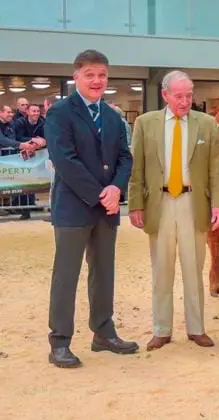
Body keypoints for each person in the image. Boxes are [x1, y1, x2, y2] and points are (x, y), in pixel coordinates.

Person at [44, 49, 138, 368]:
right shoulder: (60, 113)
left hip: (106, 209)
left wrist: (116, 188)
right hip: (73, 208)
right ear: (76, 77)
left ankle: (103, 332)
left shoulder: (112, 116)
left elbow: (125, 156)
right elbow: (64, 160)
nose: (97, 81)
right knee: (66, 276)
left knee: (104, 272)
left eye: (102, 75)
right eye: (90, 75)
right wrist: (101, 193)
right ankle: (59, 341)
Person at [128, 70, 219, 352]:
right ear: (165, 95)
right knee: (161, 269)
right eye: (179, 96)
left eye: (188, 96)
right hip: (158, 203)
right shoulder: (146, 124)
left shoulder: (207, 124)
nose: (184, 101)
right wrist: (135, 204)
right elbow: (137, 169)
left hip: (193, 203)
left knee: (194, 268)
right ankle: (161, 329)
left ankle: (196, 328)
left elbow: (215, 170)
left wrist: (218, 204)